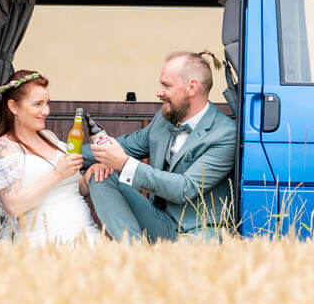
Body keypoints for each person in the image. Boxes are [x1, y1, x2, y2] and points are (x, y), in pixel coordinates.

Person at [82, 51, 236, 241]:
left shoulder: (225, 133)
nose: (158, 92)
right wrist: (57, 153)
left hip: (200, 231)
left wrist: (124, 164)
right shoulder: (162, 121)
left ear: (192, 87)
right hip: (159, 221)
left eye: (166, 85)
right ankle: (133, 254)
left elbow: (185, 189)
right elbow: (120, 146)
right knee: (101, 175)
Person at [0, 69, 100, 246]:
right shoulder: (3, 147)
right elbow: (13, 207)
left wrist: (91, 177)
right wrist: (57, 174)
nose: (46, 111)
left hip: (86, 234)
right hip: (41, 241)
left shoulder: (50, 137)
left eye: (47, 103)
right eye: (38, 104)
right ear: (13, 107)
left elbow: (77, 188)